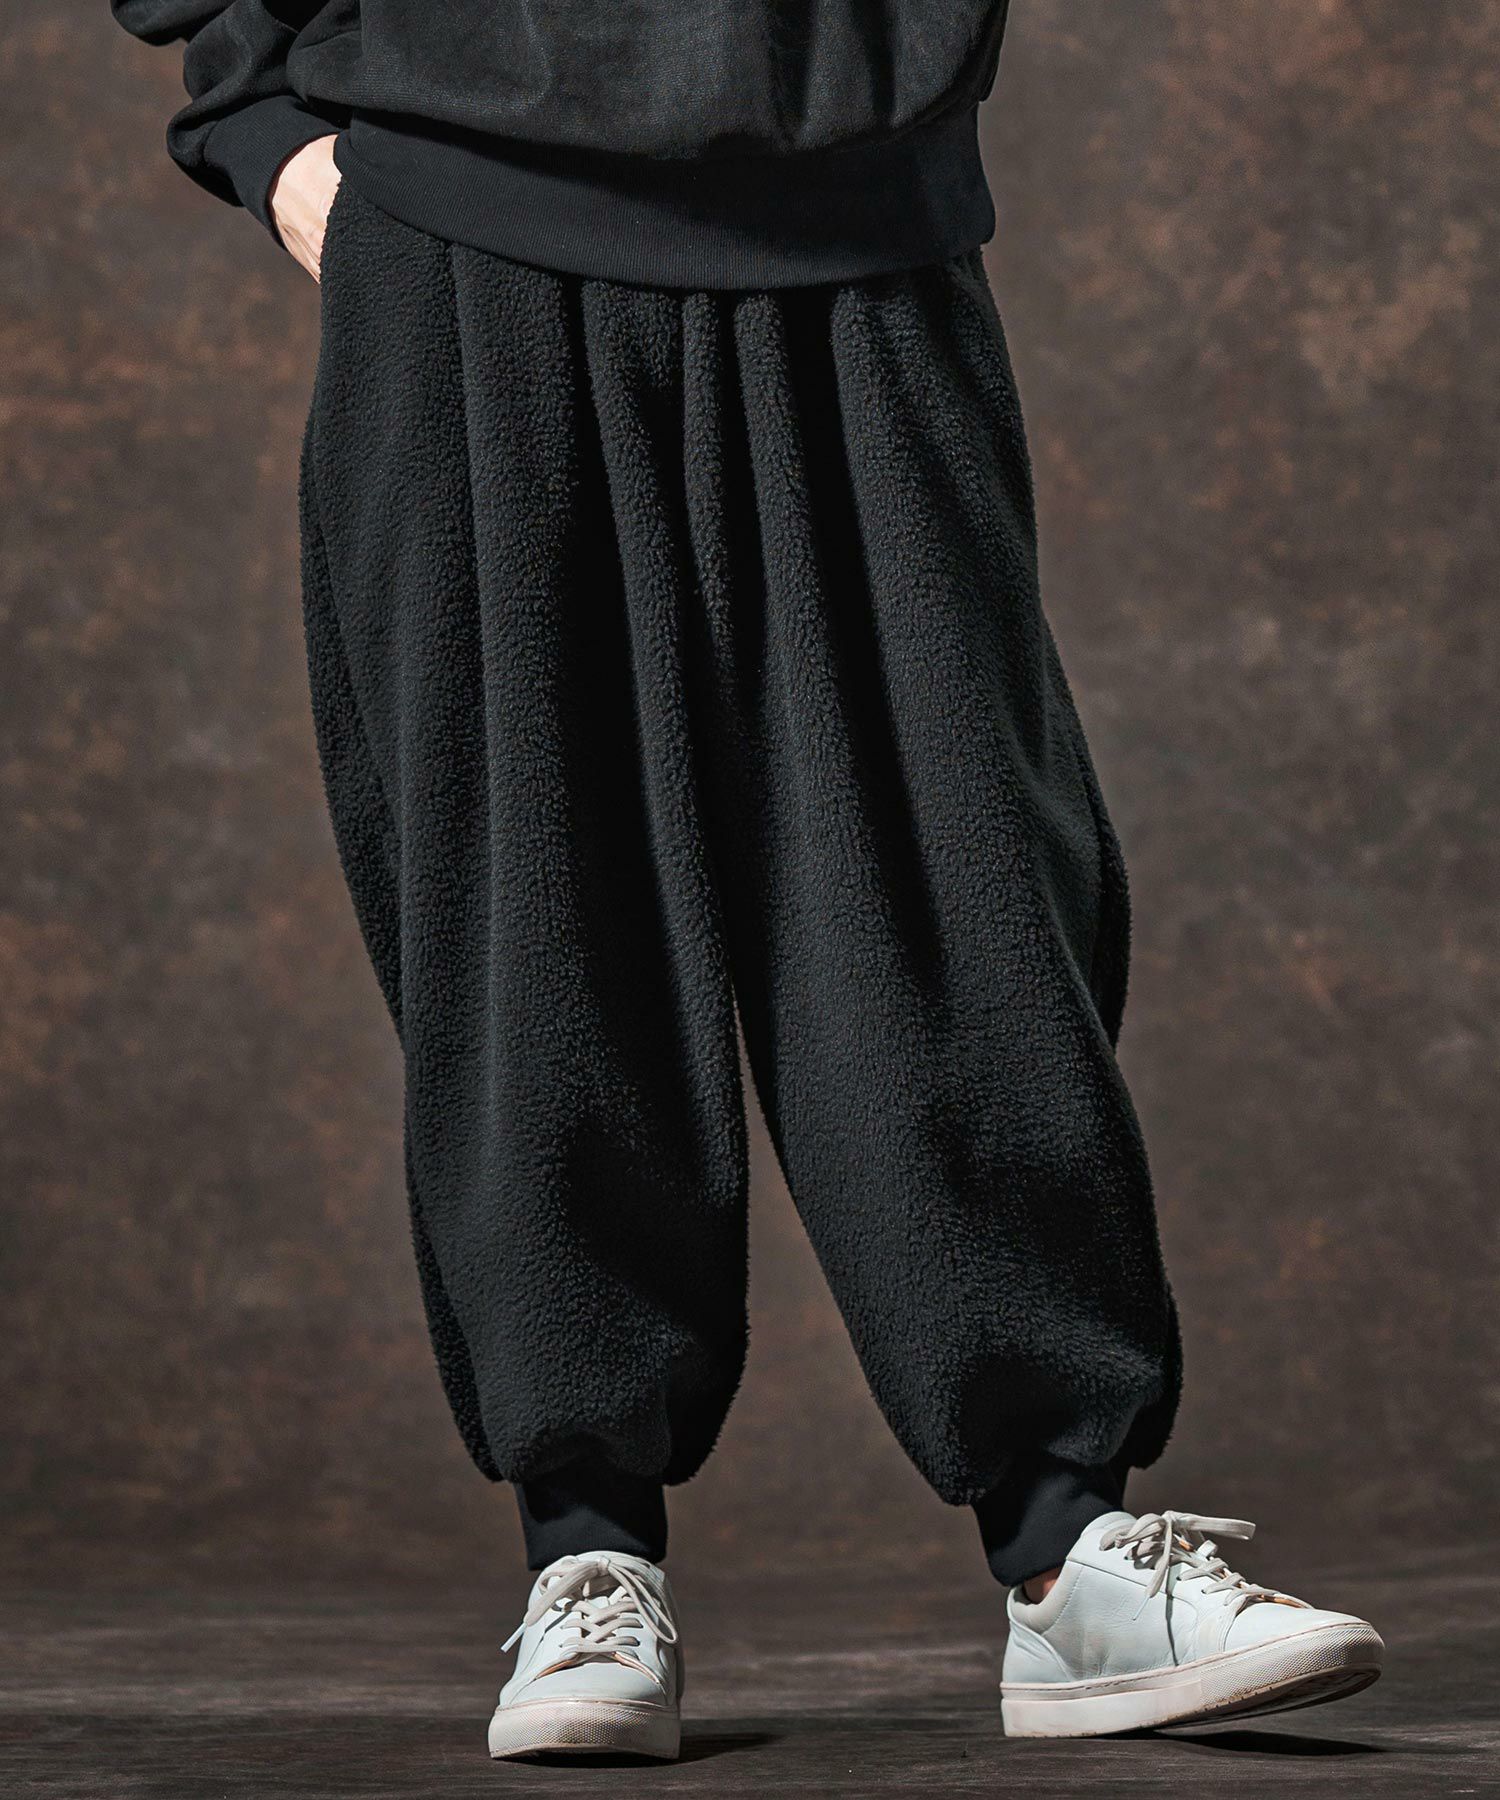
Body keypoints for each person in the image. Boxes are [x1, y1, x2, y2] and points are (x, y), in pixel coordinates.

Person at [112, 0, 1383, 1762]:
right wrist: (263, 129)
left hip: (854, 213)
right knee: (539, 926)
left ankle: (1069, 1553)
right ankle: (587, 1555)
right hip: (460, 219)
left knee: (956, 904)